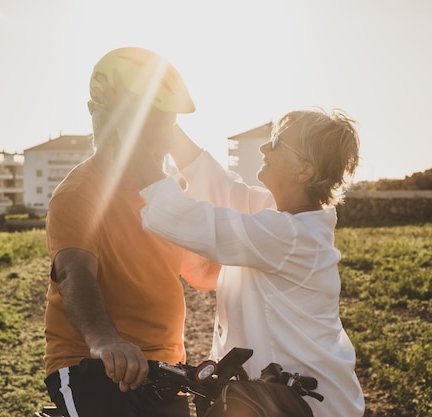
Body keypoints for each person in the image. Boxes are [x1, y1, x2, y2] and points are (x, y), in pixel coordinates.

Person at [135, 108, 366, 417]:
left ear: (304, 171)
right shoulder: (281, 215)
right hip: (275, 400)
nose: (263, 148)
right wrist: (165, 124)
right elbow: (221, 188)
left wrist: (130, 142)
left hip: (300, 405)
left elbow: (193, 222)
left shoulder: (290, 236)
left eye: (277, 142)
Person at [43, 46, 201, 417]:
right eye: (158, 125)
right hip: (91, 364)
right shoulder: (81, 192)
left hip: (165, 367)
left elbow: (204, 270)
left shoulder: (165, 196)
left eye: (171, 124)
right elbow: (73, 272)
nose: (167, 137)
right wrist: (106, 341)